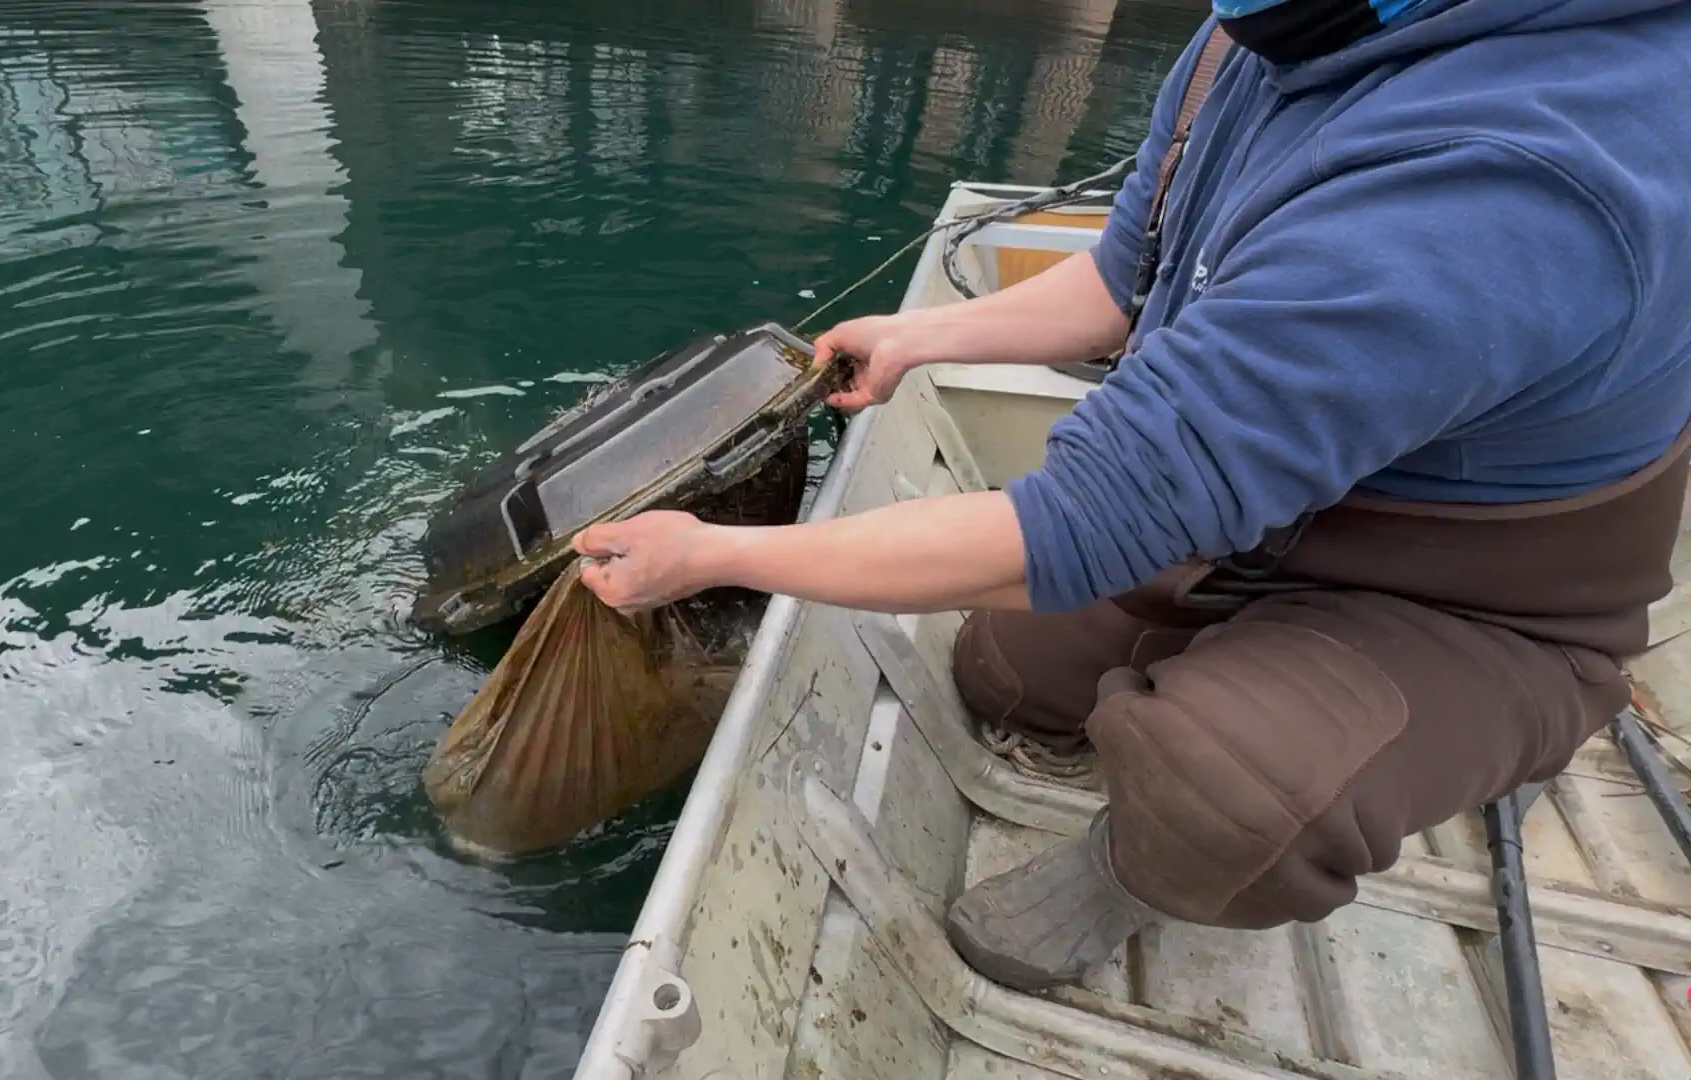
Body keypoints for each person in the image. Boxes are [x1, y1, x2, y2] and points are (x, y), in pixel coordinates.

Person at [571, 0, 1691, 993]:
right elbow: (1125, 277)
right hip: (1272, 522)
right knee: (1002, 672)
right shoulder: (1263, 32)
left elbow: (1056, 533)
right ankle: (1229, 673)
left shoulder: (1500, 186)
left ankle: (1144, 867)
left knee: (1230, 792)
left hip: (1470, 601)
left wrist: (710, 555)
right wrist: (918, 336)